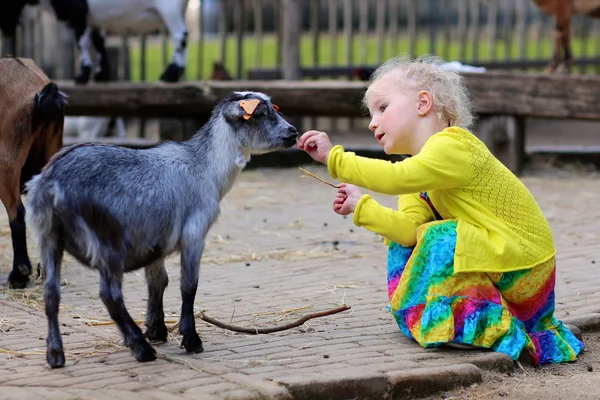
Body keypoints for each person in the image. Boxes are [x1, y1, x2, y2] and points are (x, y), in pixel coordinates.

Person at [297, 55, 584, 366]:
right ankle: (452, 322)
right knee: (414, 241)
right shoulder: (418, 177)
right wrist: (360, 207)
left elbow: (396, 179)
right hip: (499, 261)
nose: (371, 122)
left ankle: (470, 325)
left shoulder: (455, 146)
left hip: (526, 266)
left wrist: (334, 159)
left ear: (423, 103)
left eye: (382, 108)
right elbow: (409, 232)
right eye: (370, 114)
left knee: (440, 235)